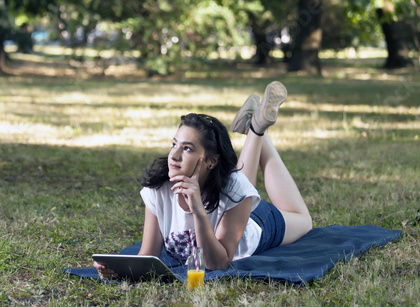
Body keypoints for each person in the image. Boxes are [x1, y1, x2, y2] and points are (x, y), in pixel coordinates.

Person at [94, 81, 312, 278]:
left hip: (256, 224)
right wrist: (119, 270)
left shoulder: (237, 191)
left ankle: (258, 130)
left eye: (187, 149)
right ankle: (256, 126)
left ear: (210, 160)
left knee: (303, 220)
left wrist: (198, 210)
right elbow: (148, 254)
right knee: (237, 185)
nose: (174, 155)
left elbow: (217, 263)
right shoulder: (159, 189)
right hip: (231, 199)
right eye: (174, 144)